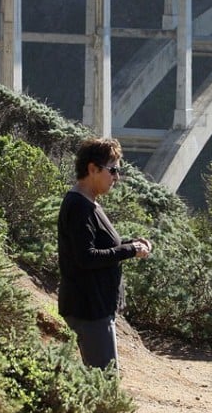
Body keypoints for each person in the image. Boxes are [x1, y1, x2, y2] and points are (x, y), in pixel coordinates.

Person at [57, 137, 153, 371]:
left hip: (95, 309)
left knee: (99, 378)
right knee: (104, 379)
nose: (116, 177)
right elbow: (86, 257)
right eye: (113, 170)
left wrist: (132, 243)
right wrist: (129, 250)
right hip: (89, 311)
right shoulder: (79, 206)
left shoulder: (89, 203)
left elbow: (100, 245)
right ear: (92, 169)